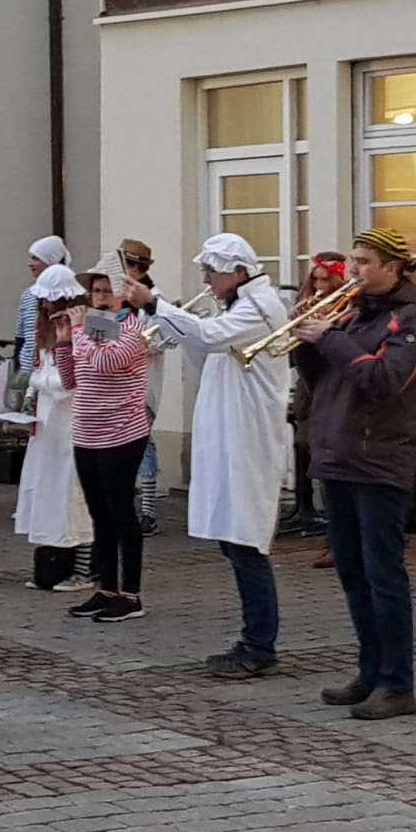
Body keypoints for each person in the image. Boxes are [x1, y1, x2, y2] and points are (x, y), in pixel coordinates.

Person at [123, 232, 290, 678]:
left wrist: (159, 304)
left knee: (245, 539)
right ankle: (253, 638)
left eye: (211, 272)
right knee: (232, 538)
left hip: (248, 436)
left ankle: (260, 644)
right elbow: (209, 355)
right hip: (227, 431)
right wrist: (178, 323)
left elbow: (214, 338)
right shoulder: (237, 305)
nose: (206, 280)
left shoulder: (259, 306)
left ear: (238, 272)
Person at [291, 229, 416, 720]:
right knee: (352, 573)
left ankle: (399, 685)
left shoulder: (411, 320)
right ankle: (370, 672)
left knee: (383, 575)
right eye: (353, 260)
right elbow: (326, 383)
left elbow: (383, 381)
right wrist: (306, 345)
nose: (354, 270)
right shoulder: (351, 315)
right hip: (338, 456)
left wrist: (330, 340)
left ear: (394, 268)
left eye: (365, 262)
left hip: (378, 461)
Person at [57, 254, 151, 624]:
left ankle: (131, 594)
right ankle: (107, 587)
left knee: (121, 513)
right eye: (95, 290)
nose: (98, 297)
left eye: (106, 291)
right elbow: (71, 380)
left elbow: (104, 363)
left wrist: (80, 333)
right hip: (87, 431)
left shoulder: (131, 330)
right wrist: (65, 341)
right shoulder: (93, 329)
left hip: (121, 433)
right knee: (99, 514)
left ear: (122, 296)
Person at [13, 264, 96, 595]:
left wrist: (35, 380)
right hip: (49, 426)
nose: (46, 310)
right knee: (50, 492)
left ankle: (84, 568)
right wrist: (30, 397)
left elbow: (66, 383)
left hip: (74, 424)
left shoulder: (83, 328)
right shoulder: (46, 327)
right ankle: (53, 561)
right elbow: (44, 367)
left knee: (76, 495)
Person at [287, 253, 346, 568]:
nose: (320, 286)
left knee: (335, 468)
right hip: (310, 395)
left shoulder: (348, 308)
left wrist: (326, 327)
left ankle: (338, 542)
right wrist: (297, 330)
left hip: (334, 392)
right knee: (316, 460)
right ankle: (329, 534)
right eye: (316, 280)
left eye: (327, 280)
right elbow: (294, 360)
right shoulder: (307, 302)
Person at [120, 238, 164, 535]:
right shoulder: (113, 297)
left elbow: (162, 340)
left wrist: (128, 344)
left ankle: (148, 511)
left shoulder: (153, 299)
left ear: (136, 269)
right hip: (112, 382)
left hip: (142, 384)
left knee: (142, 442)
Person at [17, 235, 71, 376]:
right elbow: (21, 337)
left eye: (36, 258)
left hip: (55, 370)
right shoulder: (27, 295)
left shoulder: (69, 293)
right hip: (28, 369)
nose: (30, 263)